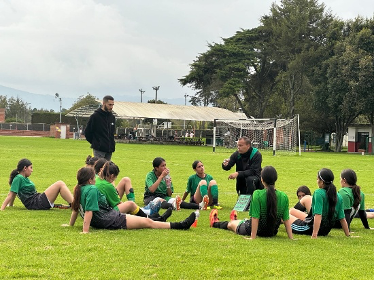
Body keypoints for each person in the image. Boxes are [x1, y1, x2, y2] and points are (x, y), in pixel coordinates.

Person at [64, 167, 197, 233]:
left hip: (109, 217)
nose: (96, 178)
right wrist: (85, 231)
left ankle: (161, 220)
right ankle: (181, 225)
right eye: (94, 177)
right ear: (89, 180)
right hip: (111, 220)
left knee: (146, 221)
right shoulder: (91, 189)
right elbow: (88, 212)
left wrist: (70, 225)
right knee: (147, 223)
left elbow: (76, 209)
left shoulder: (79, 188)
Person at [209, 166, 293, 240]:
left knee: (230, 224)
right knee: (242, 221)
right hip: (272, 232)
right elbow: (286, 219)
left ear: (261, 179)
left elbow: (255, 218)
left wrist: (253, 237)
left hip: (251, 229)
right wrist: (291, 237)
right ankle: (236, 221)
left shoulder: (257, 194)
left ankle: (215, 223)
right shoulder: (284, 196)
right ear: (275, 179)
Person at [96, 161, 171, 222]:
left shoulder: (98, 179)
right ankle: (149, 217)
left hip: (101, 210)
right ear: (112, 176)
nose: (114, 180)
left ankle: (141, 210)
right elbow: (116, 204)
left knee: (126, 180)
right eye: (115, 178)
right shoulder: (107, 186)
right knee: (130, 204)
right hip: (106, 212)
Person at [289, 168, 350, 238]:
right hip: (325, 230)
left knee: (286, 216)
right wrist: (348, 235)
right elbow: (342, 218)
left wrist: (314, 234)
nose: (317, 181)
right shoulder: (338, 196)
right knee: (292, 211)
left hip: (309, 228)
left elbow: (318, 215)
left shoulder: (318, 193)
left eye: (317, 179)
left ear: (322, 182)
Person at [1, 158, 73, 211]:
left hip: (37, 200)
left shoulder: (23, 178)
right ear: (25, 168)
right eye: (31, 168)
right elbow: (11, 194)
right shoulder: (18, 178)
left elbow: (14, 193)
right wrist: (2, 208)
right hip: (36, 203)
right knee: (60, 183)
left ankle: (74, 205)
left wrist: (10, 205)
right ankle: (75, 205)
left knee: (60, 183)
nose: (32, 170)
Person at [84, 95, 116, 161]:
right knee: (98, 169)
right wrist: (96, 143)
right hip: (99, 150)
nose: (111, 107)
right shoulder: (95, 116)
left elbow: (111, 133)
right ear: (104, 103)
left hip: (109, 150)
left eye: (112, 105)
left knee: (107, 170)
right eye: (109, 105)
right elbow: (87, 132)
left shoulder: (112, 117)